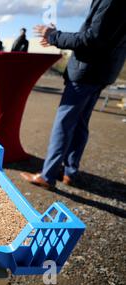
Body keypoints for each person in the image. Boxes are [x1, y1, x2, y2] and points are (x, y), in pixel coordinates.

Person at [20, 0, 126, 189]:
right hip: (103, 72)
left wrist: (53, 36)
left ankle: (48, 175)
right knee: (79, 124)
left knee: (64, 124)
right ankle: (70, 172)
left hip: (87, 71)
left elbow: (92, 39)